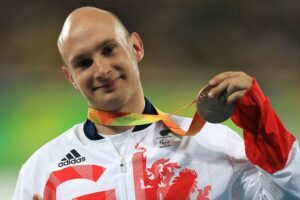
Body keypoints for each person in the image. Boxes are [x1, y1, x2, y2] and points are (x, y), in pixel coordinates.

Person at [13, 6, 300, 200]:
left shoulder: (211, 144)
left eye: (109, 49)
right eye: (84, 63)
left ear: (135, 47)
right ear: (71, 77)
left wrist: (265, 131)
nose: (101, 70)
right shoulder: (42, 169)